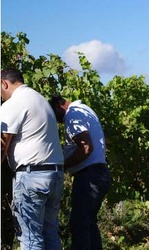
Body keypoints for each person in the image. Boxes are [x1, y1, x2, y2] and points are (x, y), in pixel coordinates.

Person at [1, 69, 65, 249]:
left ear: (4, 84)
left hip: (32, 177)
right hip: (55, 174)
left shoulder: (14, 104)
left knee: (30, 238)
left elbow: (2, 146)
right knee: (50, 233)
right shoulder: (40, 100)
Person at [49, 94, 111, 250]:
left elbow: (85, 147)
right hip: (97, 173)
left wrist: (64, 165)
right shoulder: (84, 110)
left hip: (89, 176)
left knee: (79, 224)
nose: (56, 121)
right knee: (88, 222)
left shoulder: (73, 115)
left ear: (59, 106)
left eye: (54, 114)